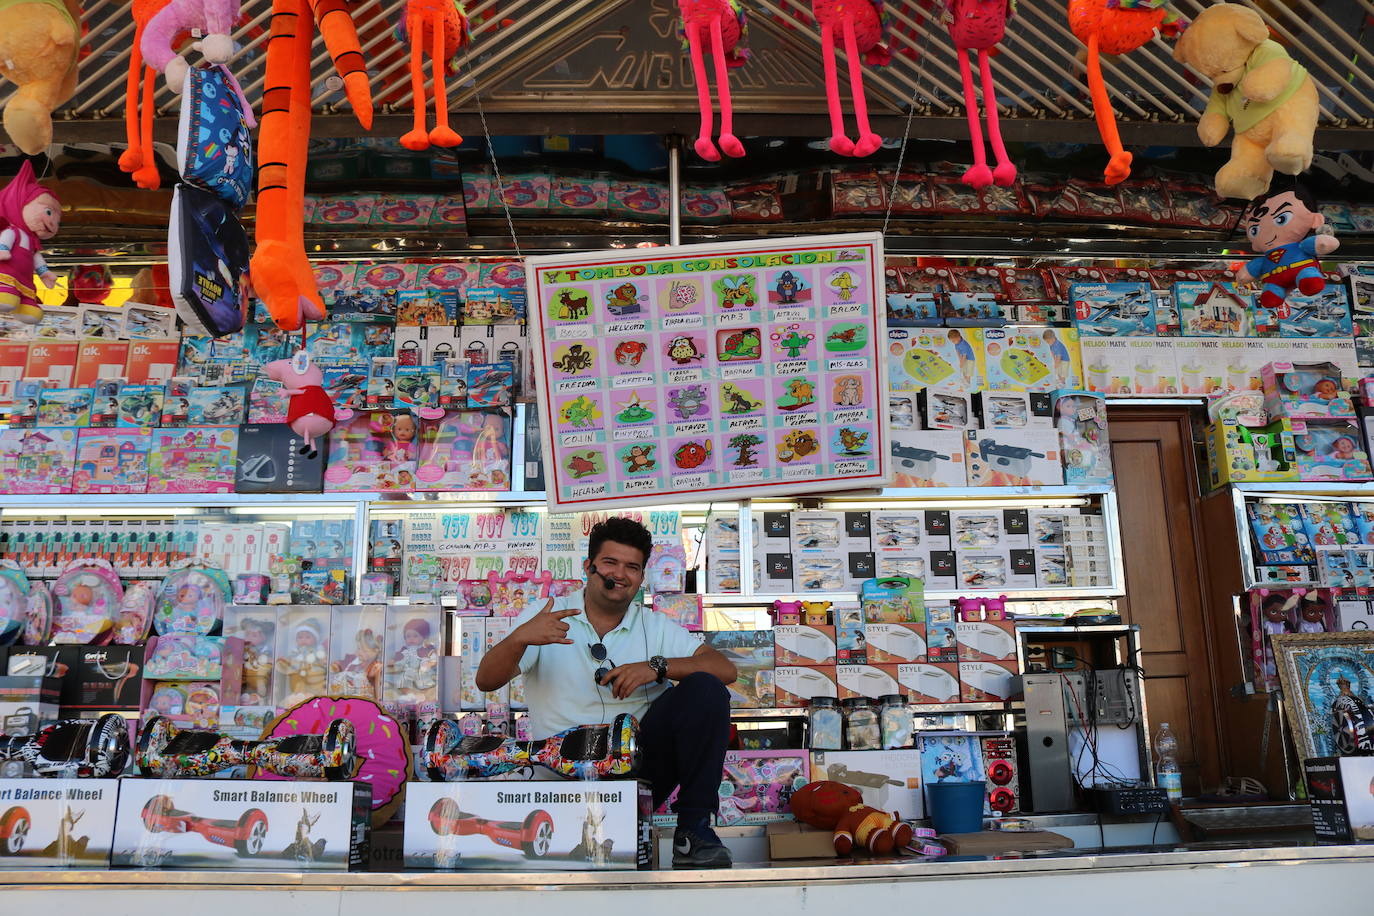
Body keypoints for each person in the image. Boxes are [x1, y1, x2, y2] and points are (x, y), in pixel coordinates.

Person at [477, 517, 738, 868]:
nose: (621, 574)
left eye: (632, 567)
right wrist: (519, 637)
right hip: (561, 776)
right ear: (589, 567)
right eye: (610, 563)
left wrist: (656, 667)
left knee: (705, 687)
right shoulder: (547, 615)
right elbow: (486, 681)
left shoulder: (653, 625)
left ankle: (694, 830)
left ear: (641, 577)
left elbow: (726, 670)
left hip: (635, 775)